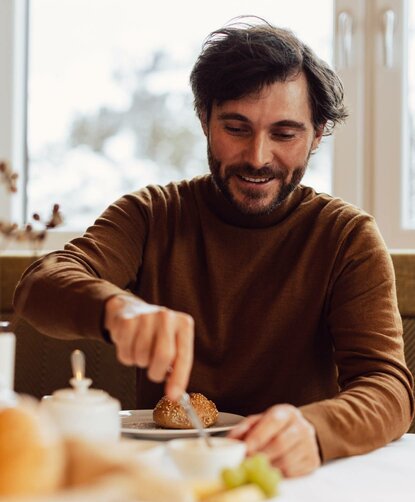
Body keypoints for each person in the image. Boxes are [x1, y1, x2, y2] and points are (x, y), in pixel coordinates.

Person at [14, 19, 414, 477]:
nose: (258, 157)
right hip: (168, 477)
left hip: (290, 477)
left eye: (285, 134)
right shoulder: (152, 214)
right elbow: (40, 284)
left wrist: (315, 430)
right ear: (205, 118)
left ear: (317, 133)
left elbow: (388, 389)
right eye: (236, 128)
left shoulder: (346, 236)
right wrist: (118, 310)